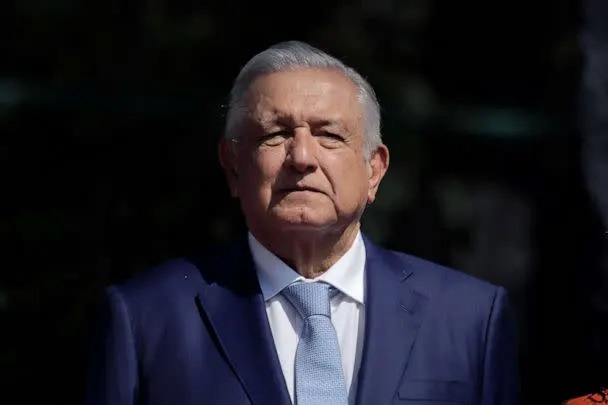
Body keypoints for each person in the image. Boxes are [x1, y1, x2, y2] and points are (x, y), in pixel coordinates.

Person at [84, 40, 520, 405]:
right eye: (275, 135)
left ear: (374, 170)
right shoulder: (146, 318)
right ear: (233, 167)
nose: (302, 157)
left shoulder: (470, 319)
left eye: (329, 135)